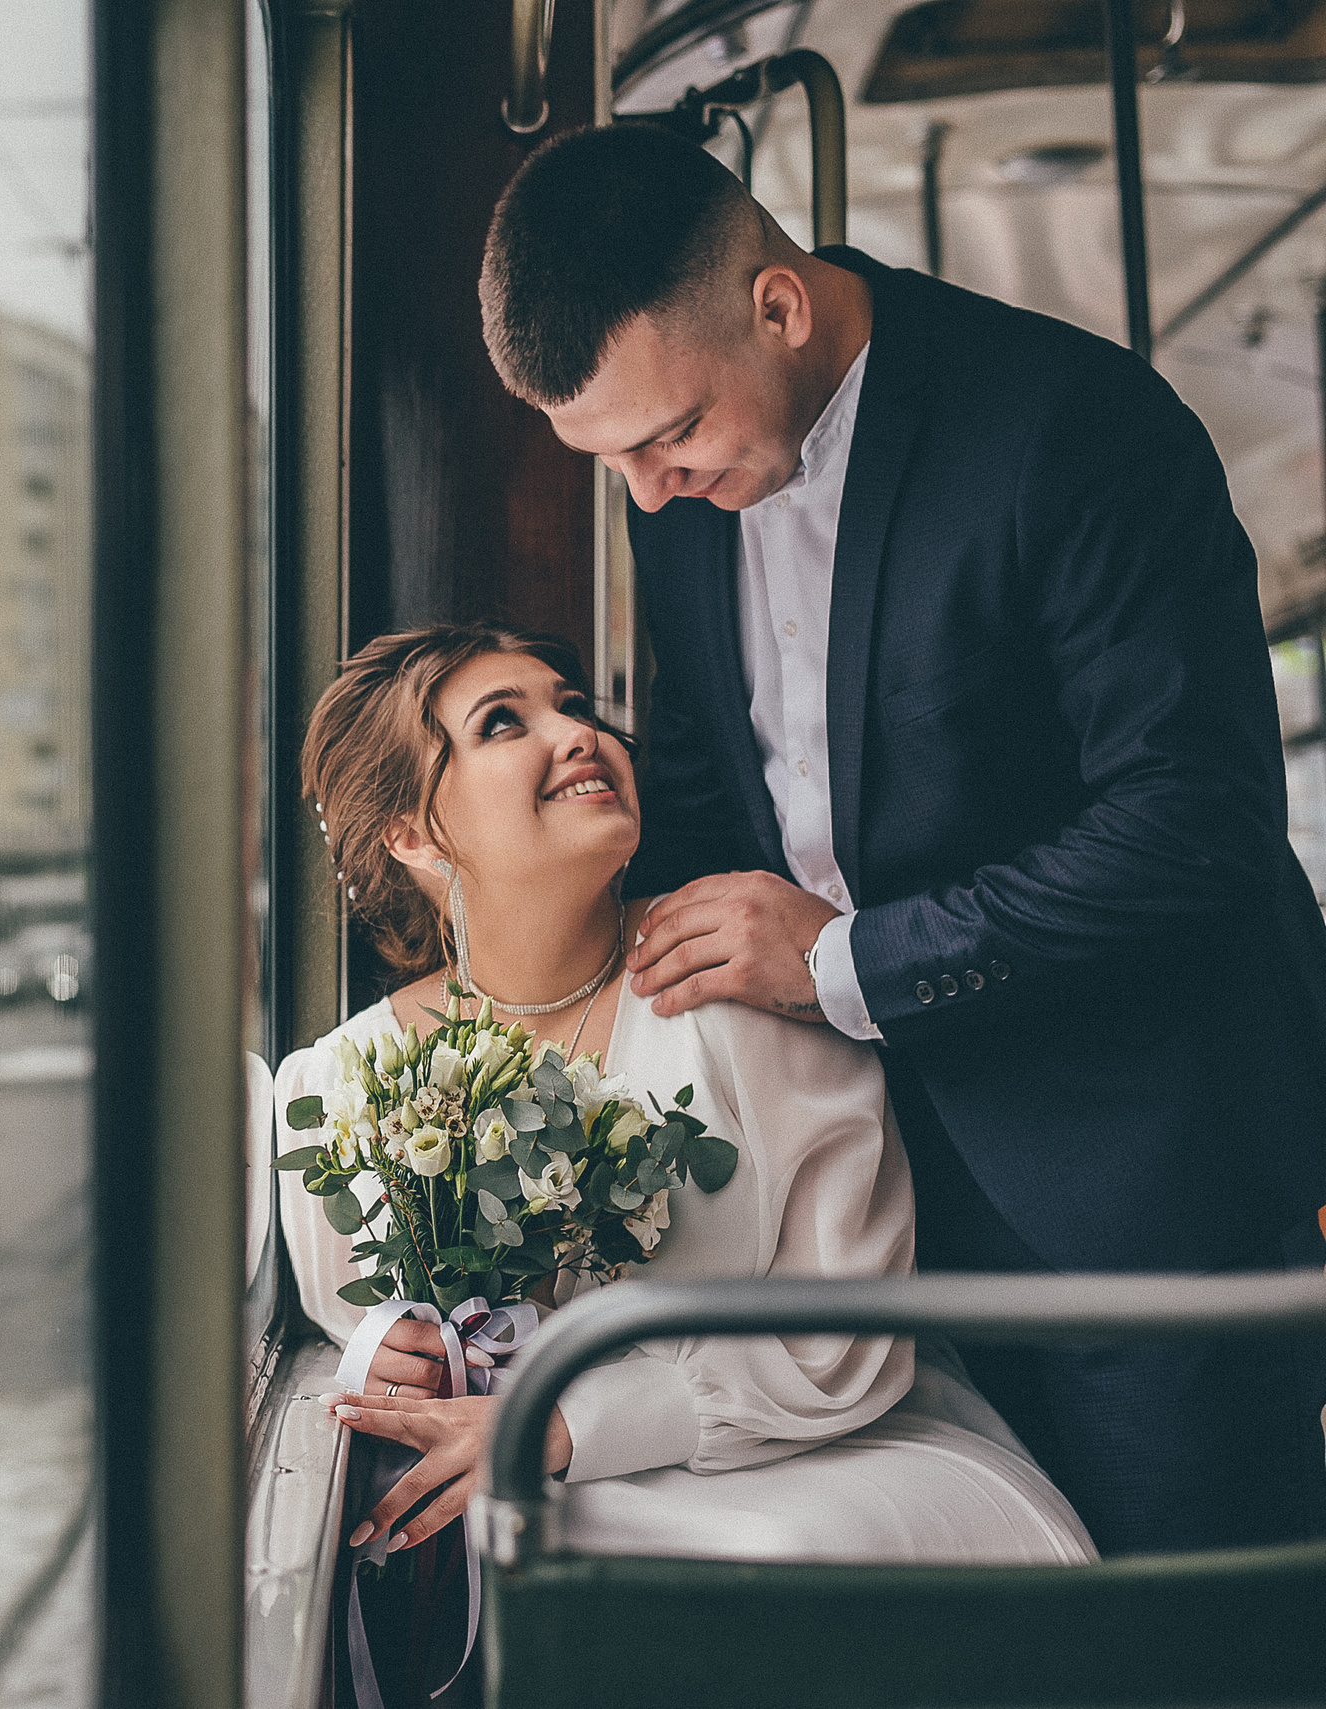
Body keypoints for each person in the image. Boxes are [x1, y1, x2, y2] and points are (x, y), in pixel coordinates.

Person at [474, 122, 1326, 1555]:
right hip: (877, 1205)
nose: (649, 491)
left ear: (780, 305)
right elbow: (717, 764)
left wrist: (843, 963)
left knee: (1191, 1633)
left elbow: (1194, 825)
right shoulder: (680, 495)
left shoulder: (1077, 427)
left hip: (1143, 1183)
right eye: (610, 458)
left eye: (670, 435)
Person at [281, 621, 1093, 1566]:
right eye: (505, 723)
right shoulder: (340, 1086)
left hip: (821, 1465)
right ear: (413, 833)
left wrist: (569, 1426)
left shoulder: (748, 990)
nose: (580, 735)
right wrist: (381, 1353)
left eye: (575, 706)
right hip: (525, 1508)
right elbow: (345, 1319)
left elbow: (848, 1328)